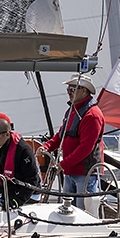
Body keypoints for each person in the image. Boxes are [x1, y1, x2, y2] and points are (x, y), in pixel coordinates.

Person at [38, 73, 105, 209]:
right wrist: (47, 146)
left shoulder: (92, 115)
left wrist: (63, 164)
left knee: (84, 211)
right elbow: (61, 135)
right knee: (68, 210)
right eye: (68, 88)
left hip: (85, 174)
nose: (69, 92)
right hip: (70, 171)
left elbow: (86, 147)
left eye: (72, 89)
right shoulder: (72, 111)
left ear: (84, 91)